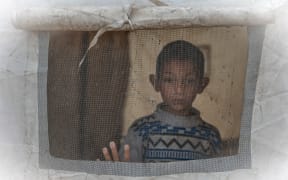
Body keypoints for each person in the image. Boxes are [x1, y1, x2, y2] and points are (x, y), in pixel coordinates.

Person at [101, 40, 222, 162]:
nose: (179, 90)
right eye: (169, 80)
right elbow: (128, 172)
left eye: (189, 81)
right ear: (156, 82)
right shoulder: (141, 130)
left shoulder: (210, 136)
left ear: (202, 85)